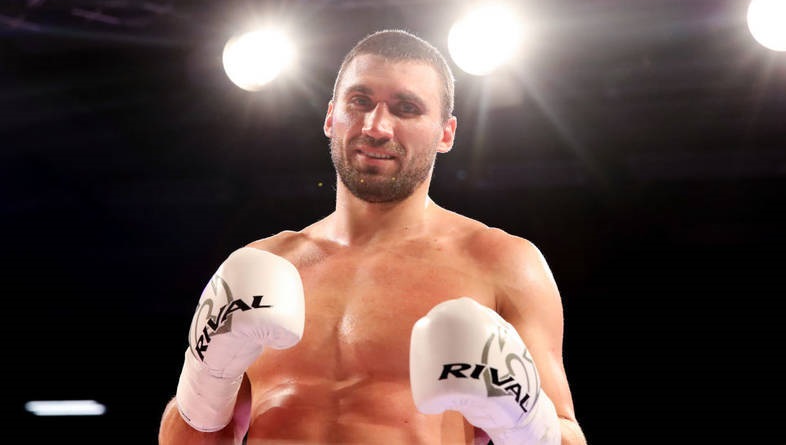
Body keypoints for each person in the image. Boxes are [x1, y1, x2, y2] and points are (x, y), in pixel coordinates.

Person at [158, 29, 588, 444]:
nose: (376, 126)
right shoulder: (263, 265)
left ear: (446, 133)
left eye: (406, 108)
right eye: (360, 101)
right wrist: (204, 381)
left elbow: (566, 435)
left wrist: (523, 418)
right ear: (331, 116)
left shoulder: (499, 262)